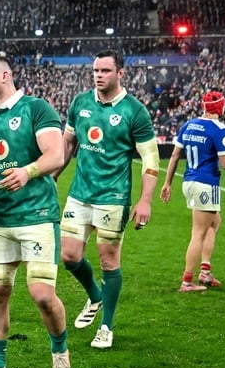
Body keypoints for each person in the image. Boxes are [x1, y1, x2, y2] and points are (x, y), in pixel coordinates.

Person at [0, 55, 71, 368]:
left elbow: (56, 154)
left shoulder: (34, 108)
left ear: (5, 75)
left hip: (36, 216)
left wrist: (27, 171)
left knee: (42, 294)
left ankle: (60, 353)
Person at [53, 50, 159, 350]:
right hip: (79, 194)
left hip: (113, 197)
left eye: (106, 71)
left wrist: (145, 200)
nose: (99, 76)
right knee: (69, 256)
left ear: (120, 73)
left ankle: (106, 327)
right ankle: (96, 296)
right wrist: (54, 174)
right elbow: (68, 143)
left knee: (109, 261)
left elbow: (151, 158)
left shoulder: (134, 111)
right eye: (96, 70)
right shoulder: (81, 103)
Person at [159, 91, 225, 292]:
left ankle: (205, 271)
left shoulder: (188, 125)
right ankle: (187, 281)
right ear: (220, 107)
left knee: (215, 222)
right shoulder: (219, 129)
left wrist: (167, 183)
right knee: (198, 233)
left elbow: (174, 155)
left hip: (188, 182)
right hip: (206, 183)